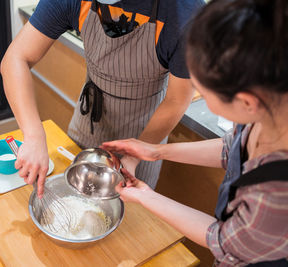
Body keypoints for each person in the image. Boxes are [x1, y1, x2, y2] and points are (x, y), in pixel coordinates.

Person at [101, 0, 288, 266]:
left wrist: (146, 197)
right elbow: (232, 148)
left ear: (246, 101)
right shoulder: (268, 108)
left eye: (203, 90)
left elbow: (225, 243)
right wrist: (156, 151)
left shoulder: (277, 191)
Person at [0, 0, 204, 197]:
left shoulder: (183, 13)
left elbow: (177, 100)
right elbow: (16, 58)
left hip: (146, 134)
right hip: (89, 121)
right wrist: (34, 134)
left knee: (133, 222)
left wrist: (134, 156)